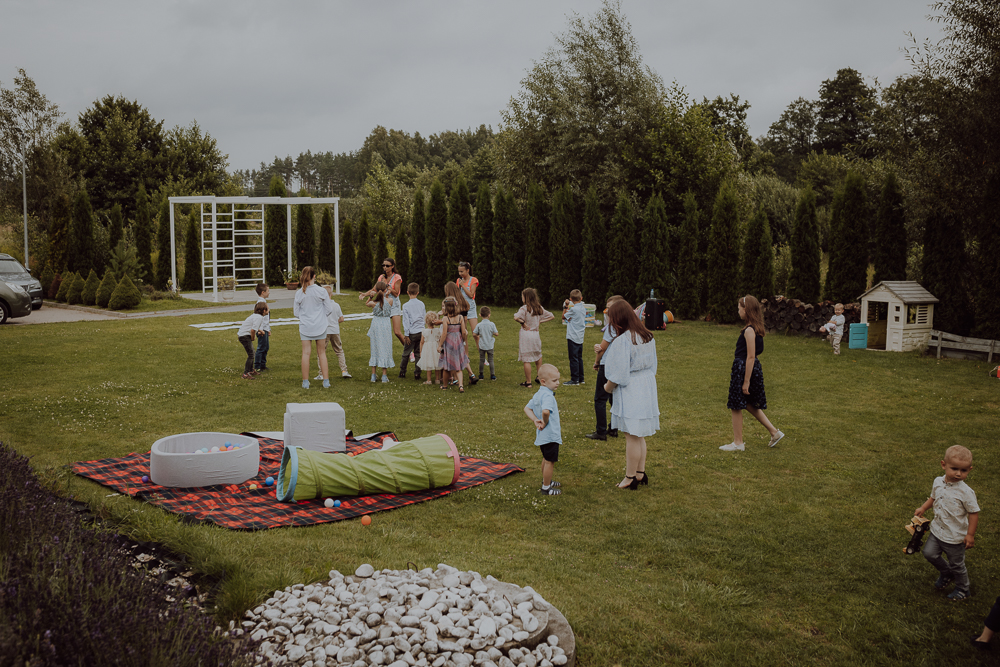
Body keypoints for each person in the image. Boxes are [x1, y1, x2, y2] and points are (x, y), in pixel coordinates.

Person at [602, 300, 659, 490]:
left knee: (632, 435)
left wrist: (607, 387)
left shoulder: (623, 341)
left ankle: (630, 476)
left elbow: (619, 373)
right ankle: (640, 473)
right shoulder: (647, 336)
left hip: (632, 388)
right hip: (646, 385)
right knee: (638, 433)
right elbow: (653, 365)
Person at [915, 445, 980, 601]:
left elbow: (973, 513)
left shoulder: (966, 492)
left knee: (957, 564)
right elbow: (933, 497)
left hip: (955, 536)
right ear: (943, 465)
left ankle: (963, 589)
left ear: (969, 470)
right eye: (954, 468)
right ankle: (946, 573)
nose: (958, 473)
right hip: (937, 530)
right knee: (929, 553)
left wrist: (970, 535)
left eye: (963, 470)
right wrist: (923, 508)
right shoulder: (938, 481)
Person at [719, 295, 784, 451]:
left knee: (736, 405)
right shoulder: (756, 329)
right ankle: (774, 432)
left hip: (744, 369)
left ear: (746, 310)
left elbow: (750, 356)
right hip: (750, 368)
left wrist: (746, 381)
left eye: (739, 308)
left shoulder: (749, 330)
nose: (738, 311)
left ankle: (738, 443)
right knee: (748, 403)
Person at [586, 295, 625, 441]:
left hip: (608, 365)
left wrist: (597, 362)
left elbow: (602, 348)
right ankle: (614, 428)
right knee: (614, 397)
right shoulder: (626, 325)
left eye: (609, 308)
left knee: (600, 398)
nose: (607, 311)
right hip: (620, 365)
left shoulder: (611, 326)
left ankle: (601, 431)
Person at [524, 363, 563, 496]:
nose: (558, 383)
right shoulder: (548, 396)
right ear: (543, 382)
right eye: (554, 380)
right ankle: (546, 488)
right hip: (550, 435)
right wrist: (544, 422)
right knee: (550, 461)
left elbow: (527, 408)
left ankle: (547, 480)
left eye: (558, 380)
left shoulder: (539, 393)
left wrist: (535, 419)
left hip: (543, 435)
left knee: (546, 459)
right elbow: (546, 412)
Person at [294, 266, 335, 389]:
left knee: (306, 354)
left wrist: (305, 317)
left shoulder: (299, 293)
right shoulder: (321, 291)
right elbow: (329, 309)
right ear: (314, 276)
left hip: (305, 327)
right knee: (322, 353)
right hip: (320, 326)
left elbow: (296, 313)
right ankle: (326, 381)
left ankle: (305, 382)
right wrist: (320, 317)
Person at [514, 287, 554, 387]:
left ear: (526, 297)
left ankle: (528, 382)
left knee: (526, 359)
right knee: (538, 355)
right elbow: (551, 316)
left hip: (526, 335)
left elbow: (516, 317)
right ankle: (539, 377)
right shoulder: (538, 307)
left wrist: (523, 322)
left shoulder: (524, 308)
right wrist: (540, 321)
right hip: (535, 335)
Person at [360, 258, 405, 347]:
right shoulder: (381, 277)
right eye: (383, 265)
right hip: (383, 304)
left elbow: (396, 293)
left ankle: (409, 350)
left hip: (394, 305)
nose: (385, 267)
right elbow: (374, 289)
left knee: (397, 332)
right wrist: (365, 294)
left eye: (387, 266)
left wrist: (387, 285)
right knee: (382, 331)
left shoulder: (397, 277)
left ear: (392, 266)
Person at [438, 296, 472, 392]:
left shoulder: (446, 318)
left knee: (446, 366)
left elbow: (444, 333)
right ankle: (461, 386)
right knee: (458, 366)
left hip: (449, 342)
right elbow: (464, 331)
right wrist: (463, 340)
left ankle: (445, 386)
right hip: (458, 342)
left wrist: (440, 345)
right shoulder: (460, 317)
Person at [365, 280, 396, 383]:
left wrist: (371, 296)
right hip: (385, 325)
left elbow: (367, 304)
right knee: (385, 347)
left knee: (374, 347)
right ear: (385, 290)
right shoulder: (390, 300)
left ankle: (373, 375)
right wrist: (387, 294)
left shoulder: (373, 303)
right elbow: (386, 301)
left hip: (376, 324)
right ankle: (384, 375)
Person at [321, 285, 351, 379]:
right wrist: (334, 322)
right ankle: (344, 371)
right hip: (335, 330)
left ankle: (321, 373)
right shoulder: (336, 305)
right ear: (332, 294)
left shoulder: (321, 306)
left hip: (324, 331)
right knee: (339, 351)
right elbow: (341, 319)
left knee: (321, 352)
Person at [400, 283, 425, 380]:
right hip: (421, 331)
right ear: (418, 292)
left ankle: (402, 371)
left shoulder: (406, 306)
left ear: (407, 292)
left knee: (406, 353)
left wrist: (406, 334)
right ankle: (417, 373)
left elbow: (406, 321)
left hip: (411, 333)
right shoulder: (421, 304)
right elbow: (423, 317)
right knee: (418, 353)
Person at [562, 289, 587, 385]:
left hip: (572, 336)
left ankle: (574, 379)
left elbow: (563, 316)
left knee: (573, 358)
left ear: (571, 299)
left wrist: (566, 306)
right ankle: (581, 378)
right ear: (581, 298)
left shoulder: (573, 309)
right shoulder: (583, 308)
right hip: (580, 336)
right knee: (579, 358)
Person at [237, 302, 267, 380]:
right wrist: (253, 338)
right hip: (244, 336)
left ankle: (250, 370)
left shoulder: (256, 316)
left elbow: (253, 327)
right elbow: (253, 330)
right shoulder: (259, 317)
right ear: (264, 310)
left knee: (252, 353)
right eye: (268, 309)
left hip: (243, 335)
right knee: (251, 355)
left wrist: (260, 331)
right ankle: (245, 373)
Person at [472, 306, 499, 381]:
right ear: (489, 315)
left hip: (482, 345)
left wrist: (479, 333)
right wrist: (492, 333)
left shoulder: (479, 325)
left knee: (482, 360)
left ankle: (481, 375)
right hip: (490, 345)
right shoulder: (492, 324)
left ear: (480, 315)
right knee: (491, 360)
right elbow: (496, 333)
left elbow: (474, 334)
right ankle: (492, 375)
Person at [417, 310, 443, 385]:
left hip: (427, 349)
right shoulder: (437, 330)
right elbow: (439, 339)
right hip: (436, 348)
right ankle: (437, 379)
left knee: (429, 364)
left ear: (426, 321)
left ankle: (429, 380)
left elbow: (422, 342)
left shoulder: (424, 331)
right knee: (437, 364)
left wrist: (421, 351)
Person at [253, 283, 271, 373]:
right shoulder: (260, 303)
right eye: (268, 291)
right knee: (261, 347)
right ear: (263, 292)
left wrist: (268, 329)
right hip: (261, 330)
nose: (269, 292)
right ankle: (257, 366)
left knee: (266, 347)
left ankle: (263, 364)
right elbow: (259, 318)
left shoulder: (264, 302)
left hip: (265, 329)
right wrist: (260, 330)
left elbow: (266, 319)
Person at [456, 261, 479, 333]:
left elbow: (471, 295)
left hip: (471, 308)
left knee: (475, 333)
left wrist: (463, 285)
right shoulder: (458, 280)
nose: (460, 274)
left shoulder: (473, 280)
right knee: (463, 332)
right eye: (459, 272)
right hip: (461, 308)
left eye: (462, 271)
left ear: (467, 270)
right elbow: (457, 294)